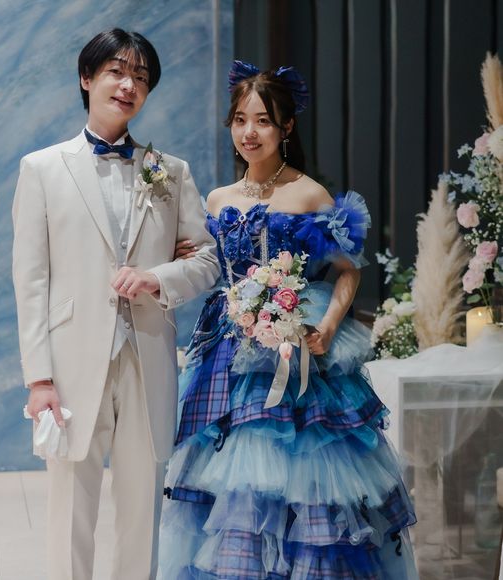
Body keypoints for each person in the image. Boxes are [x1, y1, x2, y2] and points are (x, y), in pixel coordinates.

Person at [159, 61, 418, 579]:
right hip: (228, 352)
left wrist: (328, 327)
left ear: (287, 127)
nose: (249, 133)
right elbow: (208, 263)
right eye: (240, 120)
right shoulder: (218, 199)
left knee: (305, 478)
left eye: (262, 121)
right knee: (232, 483)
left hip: (296, 347)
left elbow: (347, 272)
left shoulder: (309, 194)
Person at [12, 28, 219, 580]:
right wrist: (39, 378)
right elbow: (30, 281)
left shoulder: (169, 171)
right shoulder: (42, 169)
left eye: (141, 78)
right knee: (70, 508)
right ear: (87, 78)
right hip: (72, 363)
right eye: (117, 72)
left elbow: (207, 260)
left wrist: (157, 277)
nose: (129, 86)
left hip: (149, 357)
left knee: (142, 505)